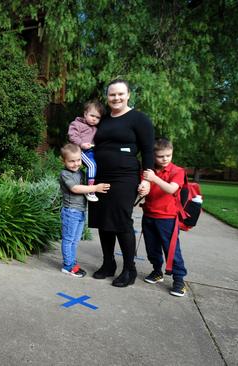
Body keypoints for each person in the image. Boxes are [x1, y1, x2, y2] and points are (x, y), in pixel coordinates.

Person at [88, 79, 155, 287]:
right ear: (107, 97)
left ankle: (129, 269)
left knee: (121, 221)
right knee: (103, 221)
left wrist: (147, 180)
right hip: (101, 177)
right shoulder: (104, 120)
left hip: (125, 178)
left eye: (120, 94)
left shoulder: (139, 119)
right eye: (112, 95)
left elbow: (148, 151)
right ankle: (108, 264)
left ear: (128, 95)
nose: (116, 98)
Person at [141, 138, 188, 297]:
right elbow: (144, 187)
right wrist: (142, 188)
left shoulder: (177, 171)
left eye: (168, 155)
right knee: (152, 247)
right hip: (149, 215)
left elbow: (171, 189)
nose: (165, 159)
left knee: (172, 250)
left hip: (167, 217)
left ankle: (179, 280)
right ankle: (156, 271)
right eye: (161, 156)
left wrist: (154, 178)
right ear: (153, 156)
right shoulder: (149, 170)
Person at [59, 143, 111, 277]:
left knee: (75, 240)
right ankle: (68, 266)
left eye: (78, 160)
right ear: (63, 161)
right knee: (69, 239)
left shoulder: (81, 172)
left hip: (80, 211)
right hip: (71, 211)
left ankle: (71, 261)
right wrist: (95, 188)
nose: (76, 164)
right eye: (71, 161)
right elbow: (75, 188)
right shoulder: (65, 174)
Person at [68, 100, 106, 202]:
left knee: (98, 165)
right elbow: (72, 136)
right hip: (79, 151)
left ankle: (91, 185)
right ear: (85, 114)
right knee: (92, 165)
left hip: (91, 151)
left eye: (97, 117)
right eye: (92, 116)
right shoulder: (76, 124)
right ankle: (90, 190)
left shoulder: (95, 129)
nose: (94, 119)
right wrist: (81, 144)